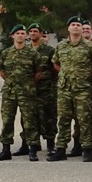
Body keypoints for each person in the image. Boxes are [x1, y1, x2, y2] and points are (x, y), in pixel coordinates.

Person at [49, 16, 92, 163]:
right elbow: (55, 63)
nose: (75, 27)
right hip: (64, 88)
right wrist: (65, 73)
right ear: (68, 28)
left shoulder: (90, 46)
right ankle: (61, 149)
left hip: (82, 89)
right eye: (73, 24)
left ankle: (87, 149)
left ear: (82, 29)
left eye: (78, 25)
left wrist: (88, 74)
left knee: (84, 119)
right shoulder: (61, 46)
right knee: (64, 119)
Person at [0, 24, 45, 161]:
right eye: (17, 33)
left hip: (27, 92)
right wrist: (12, 81)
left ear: (26, 36)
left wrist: (27, 83)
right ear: (13, 36)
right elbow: (2, 71)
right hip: (10, 92)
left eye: (23, 33)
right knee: (7, 121)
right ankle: (6, 150)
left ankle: (32, 150)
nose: (20, 36)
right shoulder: (6, 53)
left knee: (29, 121)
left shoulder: (33, 53)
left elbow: (38, 73)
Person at [27, 23, 58, 156]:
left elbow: (55, 69)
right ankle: (30, 145)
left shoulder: (49, 50)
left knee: (49, 117)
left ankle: (50, 145)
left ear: (40, 34)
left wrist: (48, 80)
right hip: (29, 90)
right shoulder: (25, 50)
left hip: (46, 89)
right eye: (31, 31)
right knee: (29, 118)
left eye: (35, 31)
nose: (33, 33)